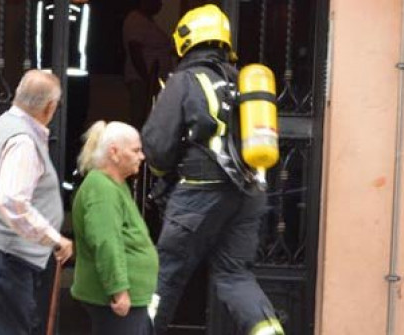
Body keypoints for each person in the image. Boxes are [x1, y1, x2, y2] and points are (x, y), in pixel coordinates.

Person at [141, 5, 285, 335]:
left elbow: (157, 146)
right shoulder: (241, 83)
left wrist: (163, 178)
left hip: (198, 191)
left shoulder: (184, 81)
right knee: (236, 275)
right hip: (247, 194)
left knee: (166, 273)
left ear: (185, 41)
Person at [0, 69, 74, 335]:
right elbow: (11, 201)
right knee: (2, 327)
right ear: (49, 107)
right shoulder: (23, 139)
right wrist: (53, 238)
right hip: (2, 252)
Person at [70, 121, 158, 335]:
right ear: (114, 153)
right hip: (116, 302)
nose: (142, 156)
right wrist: (119, 291)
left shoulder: (114, 185)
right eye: (136, 150)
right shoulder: (101, 188)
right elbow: (106, 241)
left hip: (131, 299)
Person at [123, 0, 175, 129]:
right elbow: (135, 49)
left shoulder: (148, 21)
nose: (160, 4)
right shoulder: (136, 20)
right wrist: (146, 78)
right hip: (142, 80)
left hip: (151, 81)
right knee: (139, 118)